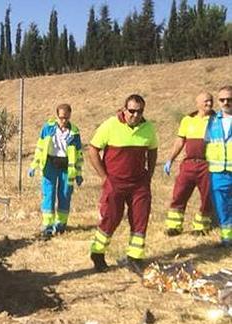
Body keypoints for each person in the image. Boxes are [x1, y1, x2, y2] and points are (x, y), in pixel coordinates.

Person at [87, 94, 158, 274]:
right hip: (115, 182)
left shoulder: (148, 128)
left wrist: (148, 175)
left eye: (139, 111)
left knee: (140, 219)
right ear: (124, 109)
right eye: (132, 111)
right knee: (111, 218)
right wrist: (104, 177)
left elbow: (152, 151)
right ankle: (97, 253)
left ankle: (134, 257)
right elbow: (93, 149)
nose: (135, 115)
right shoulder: (110, 125)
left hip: (139, 184)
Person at [28, 104, 84, 238]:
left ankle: (61, 224)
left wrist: (79, 173)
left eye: (66, 118)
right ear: (56, 116)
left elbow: (79, 155)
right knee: (49, 194)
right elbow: (40, 148)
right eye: (61, 118)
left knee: (65, 195)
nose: (63, 121)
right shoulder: (47, 129)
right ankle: (47, 225)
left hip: (66, 167)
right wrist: (34, 165)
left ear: (70, 116)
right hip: (50, 165)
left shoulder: (74, 132)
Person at [163, 92, 214, 236]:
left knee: (207, 196)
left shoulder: (216, 120)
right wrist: (170, 159)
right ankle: (174, 226)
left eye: (211, 101)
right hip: (189, 164)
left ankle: (201, 227)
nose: (209, 104)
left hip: (208, 165)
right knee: (179, 194)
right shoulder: (187, 120)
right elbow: (180, 141)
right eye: (205, 101)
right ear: (197, 103)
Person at [204, 85, 232, 248]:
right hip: (218, 173)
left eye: (229, 99)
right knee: (222, 207)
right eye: (222, 100)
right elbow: (206, 143)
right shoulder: (212, 121)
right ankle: (227, 239)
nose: (226, 102)